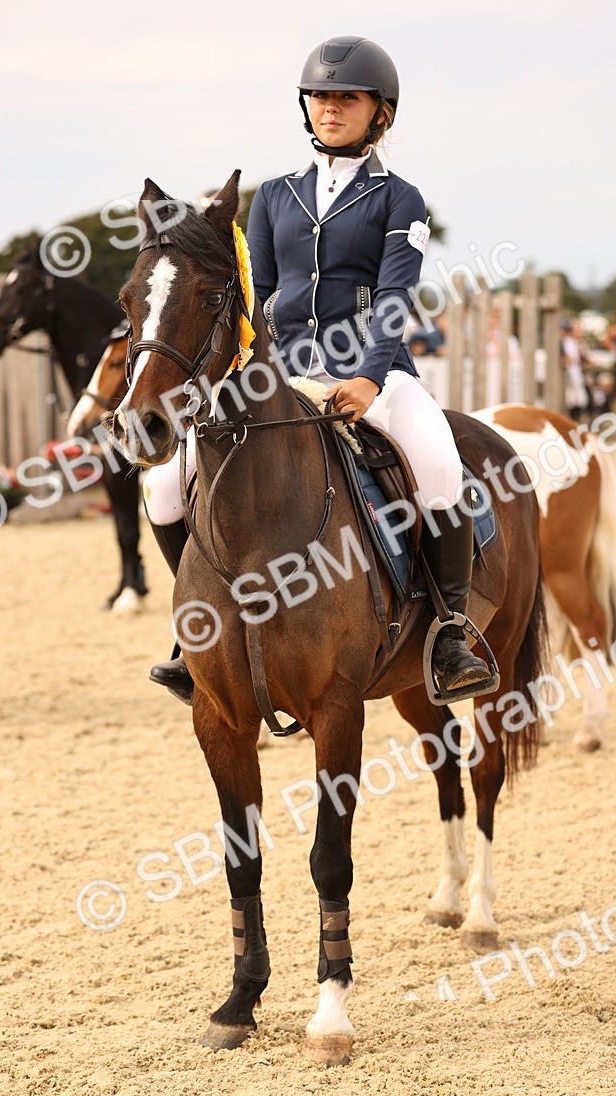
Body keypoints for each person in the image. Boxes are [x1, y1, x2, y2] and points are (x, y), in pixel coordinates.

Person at [144, 35, 492, 703]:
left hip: (372, 371)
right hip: (281, 373)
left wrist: (368, 377)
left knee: (441, 466)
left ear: (378, 113)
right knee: (163, 488)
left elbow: (395, 296)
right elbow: (258, 297)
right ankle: (196, 631)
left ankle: (450, 631)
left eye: (346, 98)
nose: (331, 108)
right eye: (321, 97)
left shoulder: (400, 199)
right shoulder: (273, 196)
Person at [560, 316, 589, 423]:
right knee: (571, 399)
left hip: (575, 374)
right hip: (569, 375)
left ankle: (575, 422)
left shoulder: (573, 342)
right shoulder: (565, 342)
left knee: (576, 399)